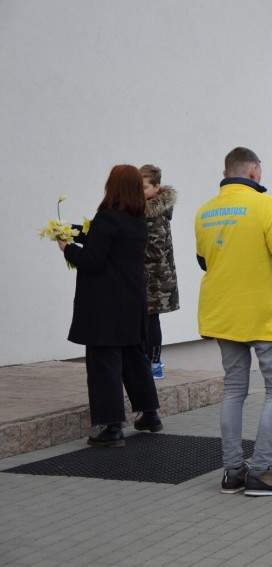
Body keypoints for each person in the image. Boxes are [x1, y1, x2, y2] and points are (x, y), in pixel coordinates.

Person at [195, 147, 272, 496]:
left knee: (234, 389)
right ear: (252, 172)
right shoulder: (265, 205)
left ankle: (233, 470)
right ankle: (261, 471)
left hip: (222, 312)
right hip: (261, 314)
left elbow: (205, 262)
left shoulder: (205, 212)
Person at [59, 165, 164, 447]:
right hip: (131, 302)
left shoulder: (108, 217)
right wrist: (74, 232)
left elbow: (94, 259)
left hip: (104, 307)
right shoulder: (136, 219)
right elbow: (105, 241)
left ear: (113, 186)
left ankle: (111, 427)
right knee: (133, 357)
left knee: (104, 363)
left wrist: (67, 248)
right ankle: (150, 414)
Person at [140, 164, 179, 380]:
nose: (140, 192)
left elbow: (154, 250)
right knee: (146, 319)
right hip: (150, 277)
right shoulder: (146, 210)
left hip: (156, 279)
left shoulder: (155, 214)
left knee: (151, 319)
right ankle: (148, 360)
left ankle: (154, 362)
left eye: (144, 188)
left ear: (156, 187)